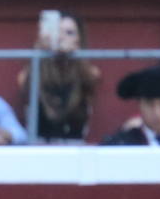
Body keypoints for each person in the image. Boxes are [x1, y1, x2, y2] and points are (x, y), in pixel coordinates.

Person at [16, 11, 101, 144]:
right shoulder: (32, 72)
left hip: (74, 147)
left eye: (69, 33)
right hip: (40, 147)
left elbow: (89, 80)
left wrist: (72, 57)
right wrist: (40, 52)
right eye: (58, 32)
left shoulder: (90, 72)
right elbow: (26, 85)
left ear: (79, 39)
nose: (62, 37)